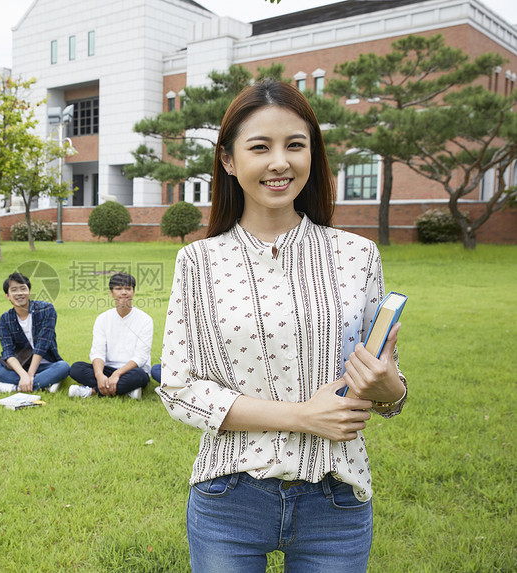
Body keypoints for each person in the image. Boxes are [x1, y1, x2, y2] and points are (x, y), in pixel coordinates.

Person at [156, 80, 408, 573]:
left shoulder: (357, 256)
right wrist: (301, 416)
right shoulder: (198, 262)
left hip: (337, 499)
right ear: (228, 160)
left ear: (312, 153)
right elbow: (179, 389)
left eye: (295, 145)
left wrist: (388, 389)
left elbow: (388, 386)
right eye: (260, 147)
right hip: (229, 497)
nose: (280, 162)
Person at [68, 272, 152, 399]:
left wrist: (117, 374)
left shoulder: (145, 320)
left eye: (128, 289)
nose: (124, 292)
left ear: (133, 292)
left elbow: (141, 357)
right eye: (119, 289)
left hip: (132, 370)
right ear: (111, 293)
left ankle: (91, 391)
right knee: (76, 368)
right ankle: (127, 391)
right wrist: (99, 375)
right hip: (107, 369)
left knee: (140, 375)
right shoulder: (102, 318)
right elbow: (97, 352)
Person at [0, 272, 69, 393]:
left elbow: (42, 345)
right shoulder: (5, 319)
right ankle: (43, 384)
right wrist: (23, 375)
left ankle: (13, 387)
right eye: (14, 290)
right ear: (7, 296)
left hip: (45, 364)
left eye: (23, 288)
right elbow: (8, 352)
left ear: (29, 291)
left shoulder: (47, 309)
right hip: (21, 365)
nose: (19, 293)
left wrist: (29, 375)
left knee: (63, 367)